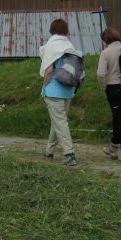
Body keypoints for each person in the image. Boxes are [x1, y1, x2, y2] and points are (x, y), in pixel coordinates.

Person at [39, 19, 81, 166]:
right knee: (58, 122)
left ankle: (69, 154)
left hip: (53, 90)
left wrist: (44, 86)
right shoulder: (69, 45)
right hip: (68, 90)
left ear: (52, 29)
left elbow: (49, 70)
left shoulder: (51, 45)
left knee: (60, 122)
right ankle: (49, 151)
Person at [97, 27, 121, 163]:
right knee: (119, 117)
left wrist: (104, 87)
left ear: (105, 40)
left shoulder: (106, 53)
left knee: (119, 118)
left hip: (114, 87)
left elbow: (101, 73)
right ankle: (113, 147)